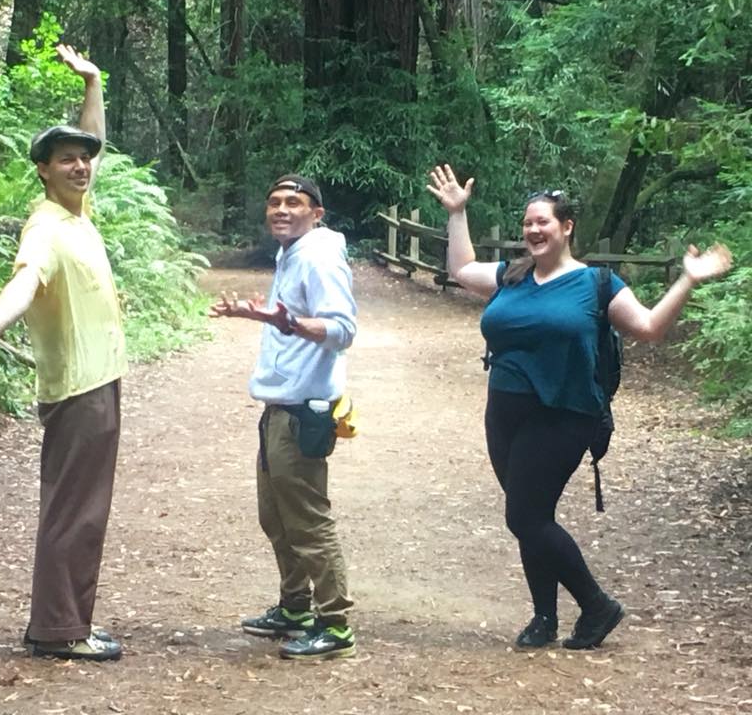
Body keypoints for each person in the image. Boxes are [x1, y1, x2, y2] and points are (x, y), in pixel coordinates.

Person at [427, 164, 732, 650]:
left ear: (566, 227)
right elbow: (461, 271)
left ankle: (596, 605)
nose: (533, 229)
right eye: (527, 222)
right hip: (505, 412)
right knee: (533, 512)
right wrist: (457, 214)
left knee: (524, 517)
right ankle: (544, 619)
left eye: (543, 221)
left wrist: (688, 280)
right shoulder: (513, 276)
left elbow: (650, 328)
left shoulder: (597, 284)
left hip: (564, 414)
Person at [0, 45, 126, 662]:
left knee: (80, 508)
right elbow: (25, 280)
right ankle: (60, 630)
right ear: (42, 170)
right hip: (79, 388)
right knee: (76, 511)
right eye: (65, 160)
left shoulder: (77, 212)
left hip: (99, 380)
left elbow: (94, 140)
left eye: (83, 161)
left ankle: (61, 624)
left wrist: (93, 81)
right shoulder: (45, 225)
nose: (80, 166)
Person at [209, 174, 358, 660]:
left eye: (294, 203)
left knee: (309, 521)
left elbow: (341, 329)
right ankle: (295, 607)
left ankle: (335, 625)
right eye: (274, 201)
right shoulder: (291, 252)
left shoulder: (318, 255)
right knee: (275, 515)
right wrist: (265, 317)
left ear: (317, 213)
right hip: (279, 407)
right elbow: (289, 319)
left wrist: (290, 322)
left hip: (303, 412)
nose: (281, 210)